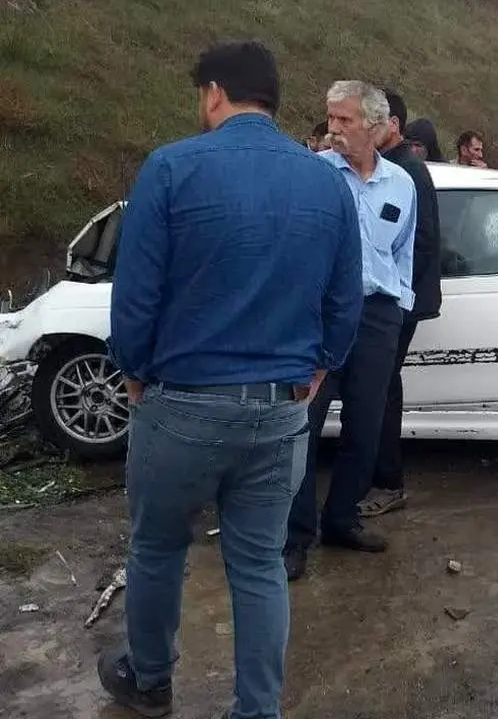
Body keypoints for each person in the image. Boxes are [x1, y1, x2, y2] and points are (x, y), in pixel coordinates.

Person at [100, 41, 363, 719]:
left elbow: (135, 296)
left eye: (200, 96)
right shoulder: (326, 182)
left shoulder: (170, 169)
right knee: (258, 564)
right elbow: (345, 300)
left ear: (215, 93)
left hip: (180, 404)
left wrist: (133, 370)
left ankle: (150, 680)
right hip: (279, 413)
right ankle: (256, 710)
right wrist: (321, 365)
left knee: (158, 546)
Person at [285, 81, 418, 580]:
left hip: (379, 317)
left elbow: (403, 249)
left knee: (366, 426)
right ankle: (295, 537)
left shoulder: (401, 184)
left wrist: (400, 301)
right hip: (320, 317)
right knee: (303, 425)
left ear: (376, 126)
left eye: (344, 120)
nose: (333, 129)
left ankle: (341, 519)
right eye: (331, 119)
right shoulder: (315, 174)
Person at [360, 88, 444, 521]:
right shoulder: (383, 166)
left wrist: (396, 296)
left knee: (383, 390)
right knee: (376, 389)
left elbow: (423, 241)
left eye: (372, 121)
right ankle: (373, 474)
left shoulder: (407, 172)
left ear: (393, 125)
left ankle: (388, 482)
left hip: (396, 303)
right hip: (386, 301)